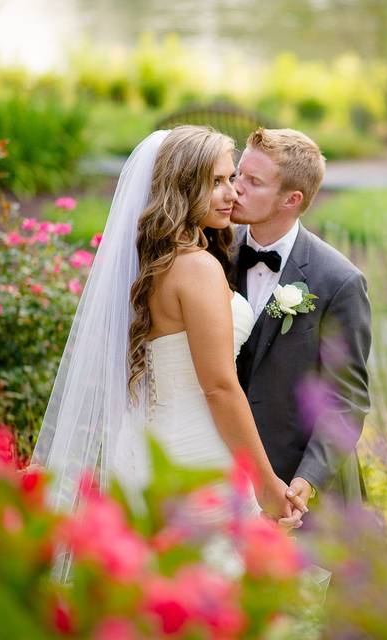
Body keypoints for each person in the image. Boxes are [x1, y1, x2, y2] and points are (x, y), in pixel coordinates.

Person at [32, 126, 301, 533]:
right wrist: (265, 482)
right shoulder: (197, 267)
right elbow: (219, 387)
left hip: (145, 445)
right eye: (216, 182)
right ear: (183, 185)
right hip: (196, 454)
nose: (232, 193)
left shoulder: (149, 264)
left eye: (232, 179)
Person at [231, 128, 372, 519]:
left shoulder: (339, 282)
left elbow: (346, 400)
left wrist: (306, 482)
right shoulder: (212, 253)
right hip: (222, 475)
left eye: (253, 181)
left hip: (305, 490)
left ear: (291, 200)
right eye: (238, 174)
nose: (235, 188)